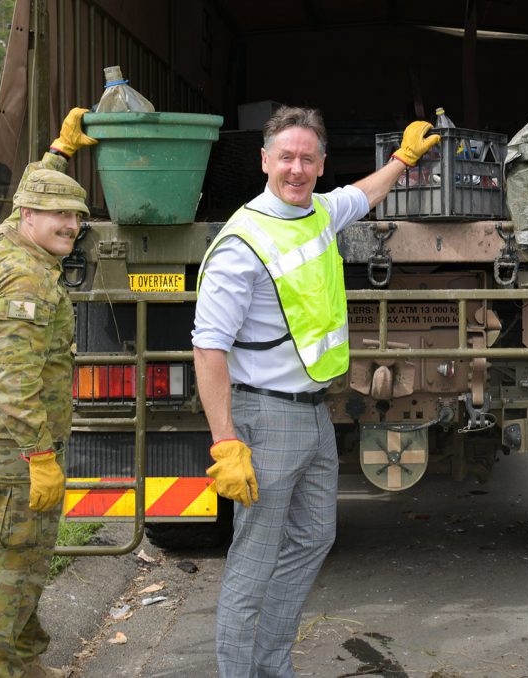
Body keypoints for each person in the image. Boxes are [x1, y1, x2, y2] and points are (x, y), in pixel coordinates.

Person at [192, 106, 440, 677]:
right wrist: (225, 444)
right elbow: (208, 349)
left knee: (312, 540)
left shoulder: (320, 212)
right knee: (253, 565)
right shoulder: (243, 242)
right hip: (265, 415)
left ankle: (273, 665)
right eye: (286, 157)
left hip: (314, 413)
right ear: (264, 161)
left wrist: (402, 160)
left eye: (307, 158)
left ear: (321, 163)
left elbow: (362, 195)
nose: (296, 168)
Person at [0, 108, 96, 678]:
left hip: (5, 441)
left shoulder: (8, 242)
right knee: (12, 562)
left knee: (31, 556)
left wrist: (57, 156)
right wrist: (39, 456)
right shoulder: (27, 278)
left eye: (77, 216)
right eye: (59, 214)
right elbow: (13, 383)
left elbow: (34, 196)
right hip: (15, 446)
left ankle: (25, 659)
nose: (71, 225)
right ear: (29, 214)